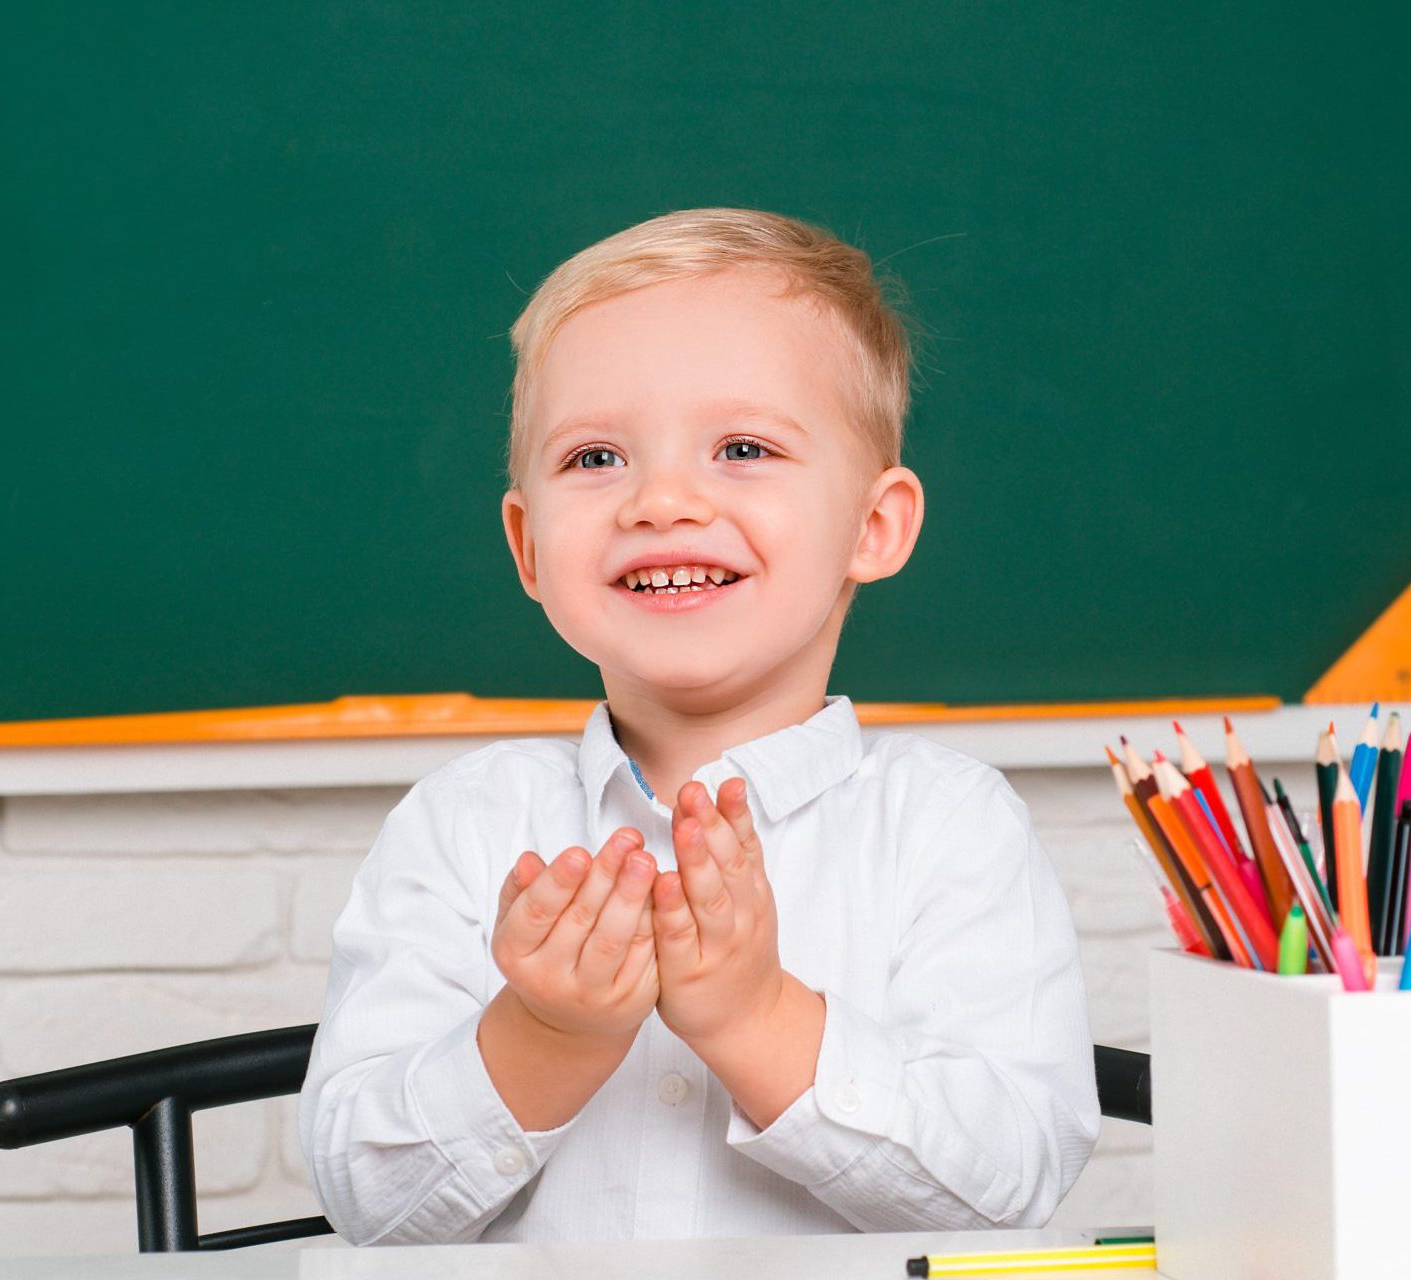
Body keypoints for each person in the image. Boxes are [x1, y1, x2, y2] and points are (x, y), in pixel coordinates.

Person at [299, 208, 1096, 1244]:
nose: (661, 499)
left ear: (873, 525)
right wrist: (542, 1033)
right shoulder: (464, 824)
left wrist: (758, 1018)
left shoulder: (950, 827)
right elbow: (365, 1201)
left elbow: (1010, 1185)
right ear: (527, 544)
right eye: (594, 458)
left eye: (742, 446)